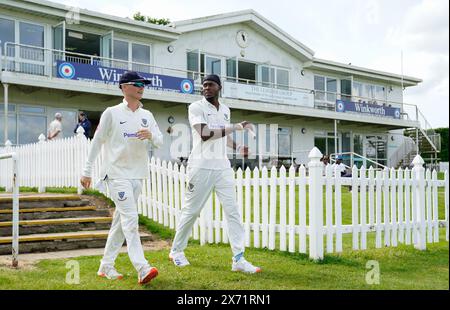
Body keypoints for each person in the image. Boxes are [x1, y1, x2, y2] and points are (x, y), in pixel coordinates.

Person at [169, 74, 261, 274]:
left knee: (233, 212)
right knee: (191, 211)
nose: (206, 88)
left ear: (219, 87)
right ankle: (176, 251)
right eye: (204, 85)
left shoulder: (225, 109)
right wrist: (237, 127)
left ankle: (238, 258)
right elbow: (205, 133)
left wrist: (237, 147)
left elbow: (222, 135)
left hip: (222, 168)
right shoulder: (195, 107)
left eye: (210, 85)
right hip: (200, 167)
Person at [80, 71, 163, 285]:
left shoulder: (148, 115)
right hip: (116, 174)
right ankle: (142, 268)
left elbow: (160, 141)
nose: (141, 87)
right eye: (137, 84)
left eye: (143, 84)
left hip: (138, 174)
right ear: (124, 87)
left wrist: (151, 135)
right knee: (131, 219)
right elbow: (97, 142)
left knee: (120, 221)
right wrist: (87, 171)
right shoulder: (111, 113)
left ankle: (105, 266)